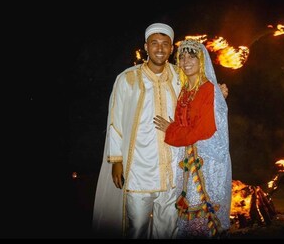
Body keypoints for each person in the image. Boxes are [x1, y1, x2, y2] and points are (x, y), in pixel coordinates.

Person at [92, 23, 228, 239]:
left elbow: (199, 93)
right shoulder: (127, 78)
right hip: (139, 170)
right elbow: (115, 121)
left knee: (168, 230)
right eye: (154, 43)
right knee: (137, 228)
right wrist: (116, 160)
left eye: (165, 44)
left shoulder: (179, 75)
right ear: (146, 46)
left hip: (173, 170)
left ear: (171, 49)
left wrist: (217, 94)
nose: (159, 48)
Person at [154, 39, 232, 239]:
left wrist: (171, 130)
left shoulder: (209, 90)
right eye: (182, 57)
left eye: (192, 57)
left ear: (201, 61)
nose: (186, 61)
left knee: (201, 220)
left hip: (207, 165)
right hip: (187, 162)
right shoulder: (185, 91)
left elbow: (204, 130)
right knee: (188, 218)